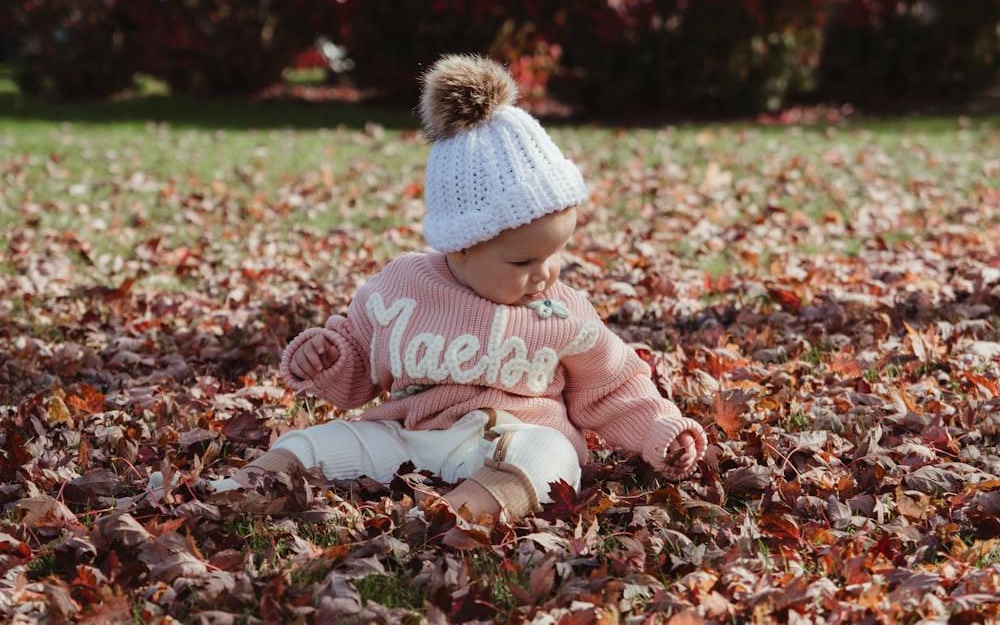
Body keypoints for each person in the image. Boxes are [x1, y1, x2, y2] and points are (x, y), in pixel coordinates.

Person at [153, 54, 707, 530]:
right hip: (406, 437)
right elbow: (355, 372)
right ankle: (251, 488)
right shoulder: (401, 289)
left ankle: (455, 516)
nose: (546, 273)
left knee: (556, 453)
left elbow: (614, 387)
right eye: (523, 260)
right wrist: (324, 357)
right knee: (317, 439)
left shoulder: (561, 312)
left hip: (511, 440)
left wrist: (659, 430)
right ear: (461, 247)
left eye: (556, 253)